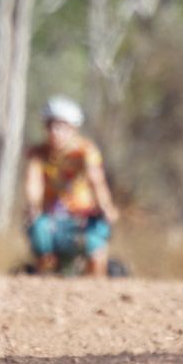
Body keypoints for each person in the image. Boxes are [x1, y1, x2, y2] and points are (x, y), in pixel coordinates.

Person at [23, 96, 121, 276]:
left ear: (73, 129)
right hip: (51, 218)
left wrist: (106, 207)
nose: (55, 131)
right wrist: (33, 206)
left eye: (61, 127)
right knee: (40, 239)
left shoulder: (85, 151)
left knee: (96, 253)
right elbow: (33, 182)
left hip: (83, 218)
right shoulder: (38, 153)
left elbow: (96, 181)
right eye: (51, 125)